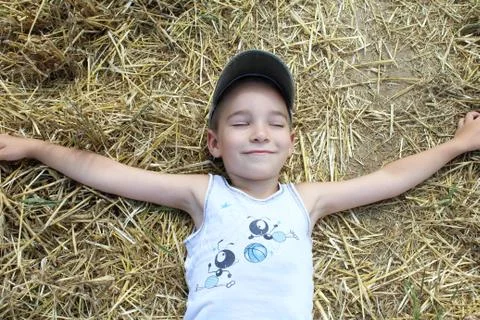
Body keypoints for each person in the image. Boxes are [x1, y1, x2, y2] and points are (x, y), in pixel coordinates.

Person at [0, 50, 479, 319]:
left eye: (274, 123)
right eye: (241, 122)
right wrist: (36, 148)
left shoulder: (305, 201)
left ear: (291, 142)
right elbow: (109, 173)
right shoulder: (204, 195)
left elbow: (389, 179)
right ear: (214, 143)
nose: (258, 132)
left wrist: (455, 146)